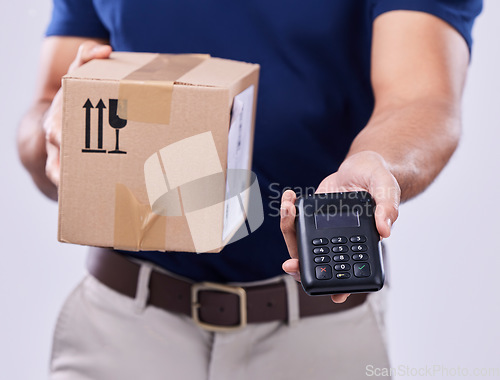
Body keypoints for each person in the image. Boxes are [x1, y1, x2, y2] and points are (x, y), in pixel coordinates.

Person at [17, 1, 482, 379]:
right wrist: (57, 135)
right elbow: (44, 107)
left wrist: (378, 163)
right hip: (122, 324)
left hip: (314, 331)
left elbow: (422, 99)